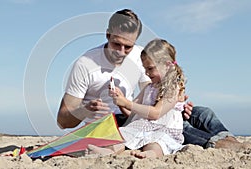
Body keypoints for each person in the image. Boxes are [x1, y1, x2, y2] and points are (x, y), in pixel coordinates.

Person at [56, 8, 247, 151]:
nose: (121, 53)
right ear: (107, 34)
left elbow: (152, 92)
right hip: (116, 120)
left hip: (138, 111)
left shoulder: (141, 56)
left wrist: (176, 100)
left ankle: (232, 141)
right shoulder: (85, 64)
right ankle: (219, 144)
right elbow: (63, 121)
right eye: (116, 44)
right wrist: (84, 109)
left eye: (128, 47)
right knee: (172, 126)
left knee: (201, 112)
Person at [88, 38, 186, 158]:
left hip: (164, 129)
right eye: (145, 69)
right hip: (141, 127)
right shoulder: (149, 88)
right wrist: (120, 101)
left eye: (150, 68)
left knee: (157, 143)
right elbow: (132, 113)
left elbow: (156, 113)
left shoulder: (173, 88)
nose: (146, 73)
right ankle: (108, 151)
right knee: (122, 135)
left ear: (167, 65)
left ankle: (149, 155)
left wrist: (127, 103)